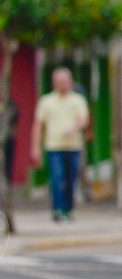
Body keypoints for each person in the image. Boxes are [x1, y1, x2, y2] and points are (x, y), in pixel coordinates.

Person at [31, 67, 89, 222]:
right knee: (57, 179)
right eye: (60, 81)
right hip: (54, 147)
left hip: (73, 146)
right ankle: (57, 210)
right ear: (54, 83)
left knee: (71, 180)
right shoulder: (46, 101)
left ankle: (68, 210)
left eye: (65, 81)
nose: (63, 84)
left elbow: (84, 120)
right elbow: (38, 124)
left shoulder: (78, 100)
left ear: (70, 82)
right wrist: (35, 147)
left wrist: (74, 128)